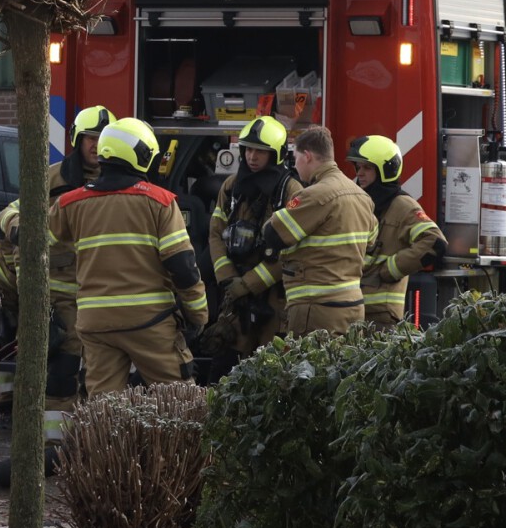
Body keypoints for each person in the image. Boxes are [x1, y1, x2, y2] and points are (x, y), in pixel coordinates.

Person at [51, 117, 209, 395]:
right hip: (150, 323)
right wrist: (197, 315)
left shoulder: (69, 203)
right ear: (143, 155)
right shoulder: (160, 202)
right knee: (178, 401)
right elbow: (183, 267)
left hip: (95, 323)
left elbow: (37, 245)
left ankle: (103, 442)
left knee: (103, 406)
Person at [223, 124, 373, 338]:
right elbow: (372, 243)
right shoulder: (361, 196)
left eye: (296, 158)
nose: (295, 165)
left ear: (308, 157)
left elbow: (272, 234)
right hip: (353, 307)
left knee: (312, 370)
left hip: (316, 309)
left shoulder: (313, 196)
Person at [0, 197, 81, 469]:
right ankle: (7, 408)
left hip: (17, 276)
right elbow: (31, 284)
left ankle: (14, 409)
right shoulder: (30, 223)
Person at [200, 116, 302, 366]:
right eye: (248, 150)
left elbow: (292, 251)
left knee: (271, 367)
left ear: (276, 154)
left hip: (273, 298)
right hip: (236, 295)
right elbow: (216, 233)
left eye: (260, 151)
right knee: (227, 367)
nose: (252, 157)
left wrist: (248, 284)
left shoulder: (292, 193)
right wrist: (227, 278)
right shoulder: (231, 186)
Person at [349, 135, 445, 328]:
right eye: (358, 167)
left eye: (367, 167)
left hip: (381, 314)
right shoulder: (362, 202)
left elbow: (435, 242)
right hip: (354, 308)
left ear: (386, 169)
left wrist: (390, 269)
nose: (360, 173)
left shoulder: (403, 206)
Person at [47, 105, 111, 196]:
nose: (97, 145)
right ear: (78, 140)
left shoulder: (121, 181)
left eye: (103, 139)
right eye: (92, 138)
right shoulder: (51, 177)